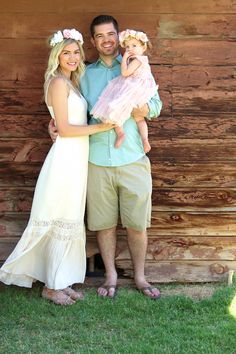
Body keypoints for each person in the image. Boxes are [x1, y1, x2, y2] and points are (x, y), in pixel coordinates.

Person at [49, 15, 162, 299]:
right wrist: (54, 124)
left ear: (118, 36)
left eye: (111, 34)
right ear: (93, 41)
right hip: (96, 158)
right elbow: (70, 104)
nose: (107, 40)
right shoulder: (84, 73)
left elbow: (156, 105)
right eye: (100, 36)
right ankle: (110, 275)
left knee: (137, 223)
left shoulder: (136, 65)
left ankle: (139, 276)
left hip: (133, 156)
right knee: (103, 223)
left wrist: (142, 111)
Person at [0, 28, 114, 305]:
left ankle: (59, 281)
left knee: (70, 219)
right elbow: (63, 128)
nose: (73, 57)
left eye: (76, 52)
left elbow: (61, 123)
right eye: (67, 52)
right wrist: (101, 127)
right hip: (65, 159)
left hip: (76, 159)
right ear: (57, 55)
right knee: (58, 216)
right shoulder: (58, 83)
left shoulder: (70, 81)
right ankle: (50, 287)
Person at [91, 29, 157, 153]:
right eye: (127, 47)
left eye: (134, 46)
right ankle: (144, 139)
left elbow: (125, 73)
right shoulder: (139, 60)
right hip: (138, 87)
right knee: (139, 118)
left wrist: (124, 58)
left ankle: (121, 133)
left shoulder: (137, 60)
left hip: (134, 88)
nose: (130, 49)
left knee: (115, 107)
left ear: (143, 47)